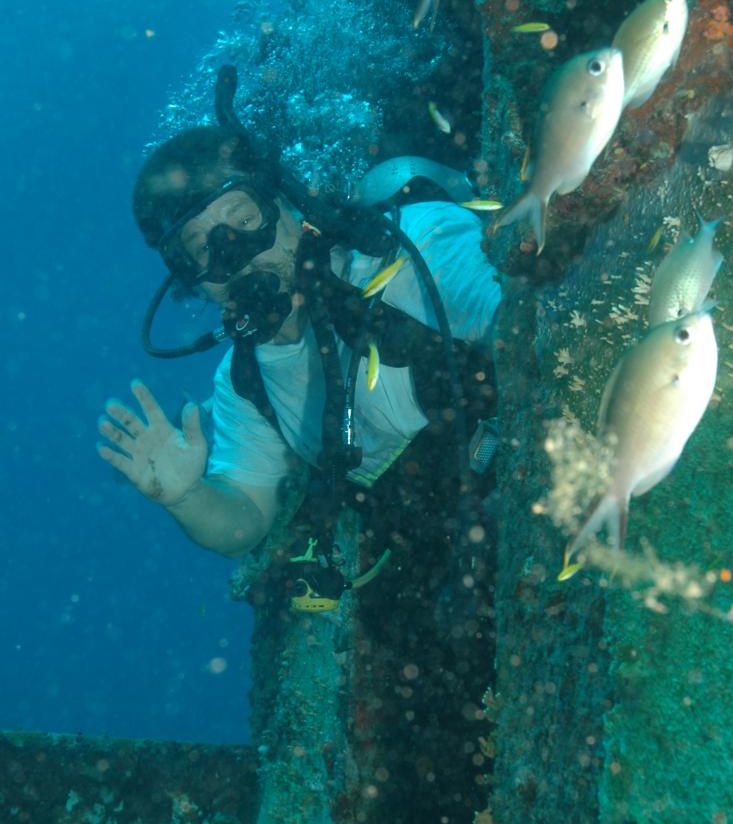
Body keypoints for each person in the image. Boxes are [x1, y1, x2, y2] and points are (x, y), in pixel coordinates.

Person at [97, 68, 502, 603]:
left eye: (245, 220)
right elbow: (243, 520)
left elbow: (515, 325)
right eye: (205, 251)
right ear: (193, 281)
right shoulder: (244, 382)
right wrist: (186, 495)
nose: (238, 255)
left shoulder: (409, 247)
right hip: (440, 560)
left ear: (284, 201)